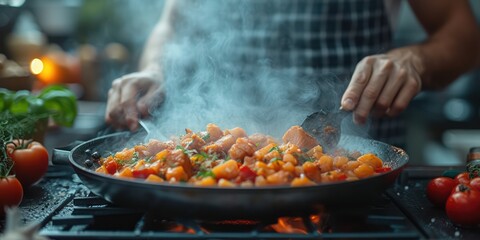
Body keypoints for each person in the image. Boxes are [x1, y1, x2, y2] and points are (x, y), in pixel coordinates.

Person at [105, 0, 479, 148]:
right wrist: (154, 68)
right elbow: (172, 23)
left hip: (354, 176)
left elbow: (463, 37)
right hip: (211, 187)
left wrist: (414, 60)